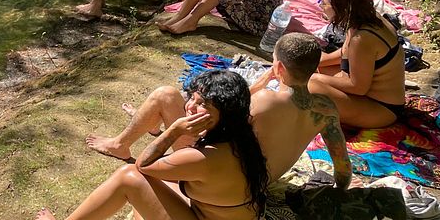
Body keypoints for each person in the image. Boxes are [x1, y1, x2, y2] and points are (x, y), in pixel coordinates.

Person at [36, 70, 268, 220]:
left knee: (129, 177)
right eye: (193, 98)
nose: (189, 107)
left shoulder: (204, 157)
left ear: (224, 116)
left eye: (202, 105)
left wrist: (174, 131)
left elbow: (143, 165)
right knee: (150, 184)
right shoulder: (242, 139)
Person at [87, 33, 351, 189]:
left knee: (164, 96)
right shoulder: (326, 109)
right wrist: (340, 190)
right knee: (176, 102)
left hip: (228, 183)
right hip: (262, 183)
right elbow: (343, 168)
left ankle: (121, 144)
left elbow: (212, 127)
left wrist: (177, 122)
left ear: (279, 68)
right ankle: (147, 124)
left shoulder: (264, 102)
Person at [309, 0, 407, 128]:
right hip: (368, 95)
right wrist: (316, 62)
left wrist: (314, 77)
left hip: (382, 109)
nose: (321, 6)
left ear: (341, 7)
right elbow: (346, 52)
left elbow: (358, 87)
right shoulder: (367, 19)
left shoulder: (363, 39)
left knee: (310, 86)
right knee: (312, 68)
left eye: (324, 3)